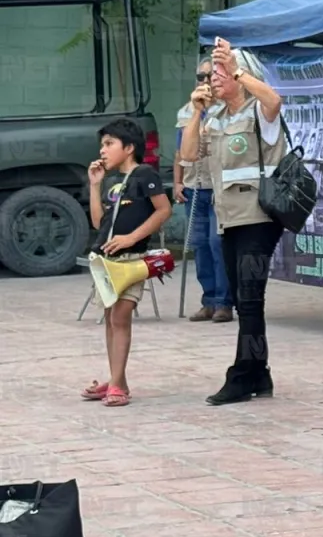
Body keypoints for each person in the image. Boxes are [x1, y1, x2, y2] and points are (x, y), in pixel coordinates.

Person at [180, 37, 287, 406]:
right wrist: (196, 112)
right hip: (229, 220)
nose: (214, 78)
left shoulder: (259, 110)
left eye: (221, 71)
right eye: (213, 72)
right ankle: (260, 373)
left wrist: (237, 68)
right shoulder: (215, 118)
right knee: (244, 300)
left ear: (243, 75)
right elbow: (189, 154)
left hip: (259, 216)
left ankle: (242, 376)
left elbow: (275, 101)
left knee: (251, 298)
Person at [81, 118, 172, 407]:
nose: (103, 151)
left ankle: (118, 384)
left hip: (132, 260)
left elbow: (163, 210)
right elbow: (98, 222)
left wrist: (132, 238)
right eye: (102, 145)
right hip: (106, 260)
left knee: (121, 317)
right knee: (110, 319)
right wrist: (94, 186)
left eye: (109, 144)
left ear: (129, 147)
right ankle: (117, 380)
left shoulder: (145, 174)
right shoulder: (110, 181)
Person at [174, 58, 234, 323]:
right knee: (199, 245)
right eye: (201, 77)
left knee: (216, 242)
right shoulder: (187, 110)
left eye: (211, 76)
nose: (206, 82)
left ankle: (224, 302)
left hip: (219, 187)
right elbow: (181, 152)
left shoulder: (227, 109)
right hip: (194, 185)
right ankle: (208, 300)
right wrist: (177, 182)